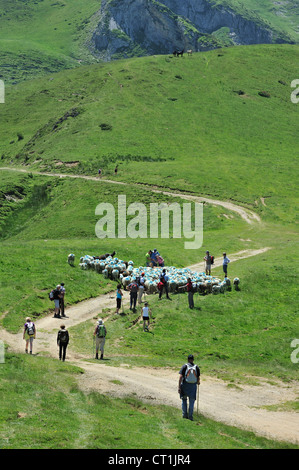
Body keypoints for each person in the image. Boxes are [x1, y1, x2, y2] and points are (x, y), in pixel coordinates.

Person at [178, 354, 200, 421]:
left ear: (187, 359)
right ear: (193, 360)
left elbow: (181, 377)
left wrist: (179, 386)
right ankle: (190, 416)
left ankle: (184, 414)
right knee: (192, 401)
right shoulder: (196, 367)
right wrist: (198, 382)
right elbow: (198, 378)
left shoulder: (185, 366)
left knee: (184, 399)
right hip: (193, 386)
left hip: (185, 385)